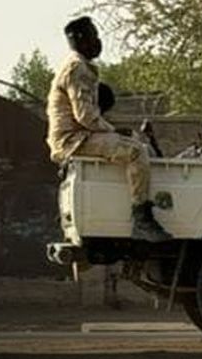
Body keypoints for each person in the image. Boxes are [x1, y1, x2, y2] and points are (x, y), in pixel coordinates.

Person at [46, 16, 171, 243]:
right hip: (74, 139)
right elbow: (85, 116)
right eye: (94, 35)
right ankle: (141, 218)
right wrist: (112, 131)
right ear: (82, 39)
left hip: (76, 137)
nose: (98, 41)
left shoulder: (78, 66)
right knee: (135, 151)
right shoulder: (77, 68)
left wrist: (113, 131)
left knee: (132, 142)